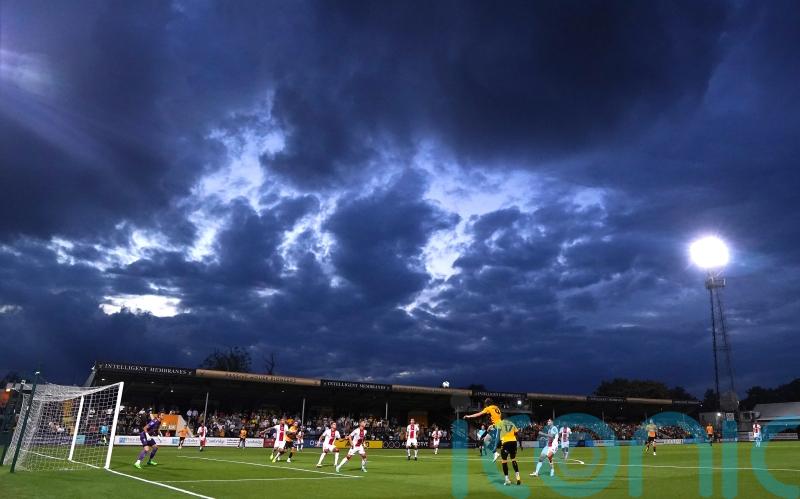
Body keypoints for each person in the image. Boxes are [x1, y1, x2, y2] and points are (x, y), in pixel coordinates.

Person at [495, 419, 522, 486]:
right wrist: (521, 444)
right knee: (513, 459)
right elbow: (518, 434)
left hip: (505, 442)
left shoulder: (500, 423)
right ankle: (518, 477)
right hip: (513, 442)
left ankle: (507, 479)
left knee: (504, 461)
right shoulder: (512, 423)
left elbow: (497, 435)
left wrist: (495, 446)